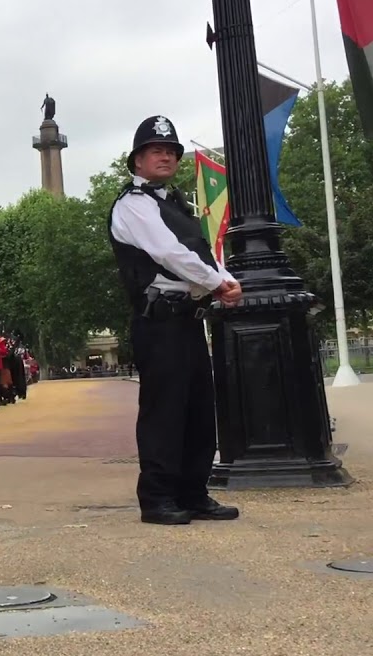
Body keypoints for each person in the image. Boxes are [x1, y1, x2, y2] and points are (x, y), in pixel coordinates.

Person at [108, 114, 243, 526]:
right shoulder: (134, 206)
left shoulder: (176, 205)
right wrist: (219, 283)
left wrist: (226, 278)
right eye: (155, 151)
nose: (165, 157)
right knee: (164, 410)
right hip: (158, 319)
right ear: (137, 161)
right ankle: (158, 497)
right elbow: (170, 254)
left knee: (199, 408)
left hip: (187, 317)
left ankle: (193, 492)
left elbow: (200, 250)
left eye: (170, 151)